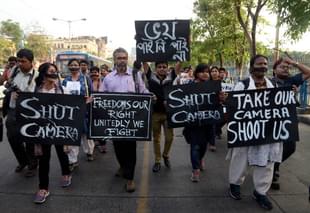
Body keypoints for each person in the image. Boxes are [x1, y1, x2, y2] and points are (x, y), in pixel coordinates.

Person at [227, 55, 282, 210]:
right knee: (240, 158)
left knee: (267, 162)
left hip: (268, 132)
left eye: (265, 63)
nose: (262, 66)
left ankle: (260, 192)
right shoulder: (242, 85)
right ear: (252, 66)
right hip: (246, 131)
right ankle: (235, 184)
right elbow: (233, 107)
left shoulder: (276, 85)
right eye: (259, 63)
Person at [99, 47, 149, 193]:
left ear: (127, 59)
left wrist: (149, 95)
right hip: (114, 122)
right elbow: (102, 95)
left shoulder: (135, 75)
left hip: (131, 121)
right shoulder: (108, 78)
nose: (122, 60)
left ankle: (130, 179)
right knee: (118, 148)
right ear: (114, 60)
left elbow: (143, 90)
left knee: (130, 150)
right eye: (119, 58)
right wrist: (93, 100)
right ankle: (122, 166)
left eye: (124, 58)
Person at [33, 63, 72, 204]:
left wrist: (84, 102)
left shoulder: (62, 90)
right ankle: (43, 188)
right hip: (43, 131)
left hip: (59, 129)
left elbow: (72, 108)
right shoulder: (36, 91)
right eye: (51, 71)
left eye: (55, 71)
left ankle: (66, 174)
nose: (54, 74)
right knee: (43, 159)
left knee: (62, 154)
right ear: (44, 74)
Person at [271, 57, 310, 190]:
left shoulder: (292, 81)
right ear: (274, 70)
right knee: (272, 148)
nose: (286, 69)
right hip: (271, 121)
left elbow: (308, 72)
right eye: (282, 67)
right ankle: (270, 173)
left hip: (288, 120)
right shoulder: (268, 82)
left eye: (287, 67)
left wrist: (294, 63)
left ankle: (274, 167)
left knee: (290, 147)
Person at [5, 48, 38, 177]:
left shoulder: (37, 75)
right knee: (12, 137)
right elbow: (5, 82)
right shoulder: (14, 71)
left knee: (29, 139)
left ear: (31, 62)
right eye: (18, 61)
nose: (20, 64)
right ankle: (23, 161)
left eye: (23, 61)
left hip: (30, 111)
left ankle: (32, 164)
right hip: (13, 109)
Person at [143, 61, 180, 173]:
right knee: (157, 139)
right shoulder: (151, 77)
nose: (162, 69)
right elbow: (144, 62)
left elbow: (179, 64)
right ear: (156, 68)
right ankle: (158, 160)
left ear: (168, 68)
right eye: (160, 67)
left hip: (168, 113)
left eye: (164, 67)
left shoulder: (170, 77)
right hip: (155, 114)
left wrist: (184, 48)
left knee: (169, 138)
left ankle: (165, 155)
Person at [182, 63, 213, 182]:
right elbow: (181, 100)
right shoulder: (189, 86)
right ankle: (195, 170)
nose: (205, 74)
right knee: (195, 146)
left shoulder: (213, 86)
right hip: (193, 122)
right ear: (197, 73)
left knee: (203, 146)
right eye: (202, 71)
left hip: (207, 122)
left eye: (207, 72)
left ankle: (200, 159)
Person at [62, 58, 94, 171]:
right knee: (73, 135)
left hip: (84, 110)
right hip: (71, 111)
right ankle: (72, 160)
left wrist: (89, 100)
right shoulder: (66, 80)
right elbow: (62, 95)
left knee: (85, 134)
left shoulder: (86, 79)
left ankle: (89, 152)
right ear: (69, 67)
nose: (74, 67)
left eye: (76, 65)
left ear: (79, 66)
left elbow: (92, 93)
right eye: (71, 65)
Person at [89, 66, 108, 153]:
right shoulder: (88, 82)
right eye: (92, 72)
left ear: (98, 73)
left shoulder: (104, 81)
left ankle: (103, 145)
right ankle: (96, 142)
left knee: (101, 126)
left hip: (102, 109)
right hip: (90, 109)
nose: (94, 74)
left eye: (95, 72)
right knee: (93, 126)